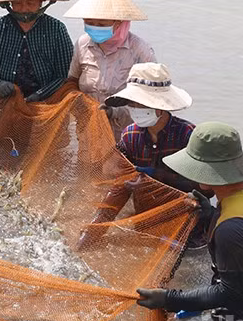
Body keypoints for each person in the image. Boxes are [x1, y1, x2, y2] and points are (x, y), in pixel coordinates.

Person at [136, 122, 243, 321]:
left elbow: (229, 293)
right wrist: (210, 215)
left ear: (208, 172)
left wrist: (170, 298)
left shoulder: (231, 228)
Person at [77, 63, 211, 249]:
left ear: (160, 107)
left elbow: (208, 188)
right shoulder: (130, 137)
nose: (134, 108)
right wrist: (91, 234)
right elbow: (119, 188)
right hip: (147, 224)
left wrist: (157, 178)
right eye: (132, 103)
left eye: (140, 103)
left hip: (188, 226)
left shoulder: (188, 136)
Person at [64, 0, 156, 141]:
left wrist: (113, 112)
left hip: (127, 133)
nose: (95, 28)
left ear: (119, 22)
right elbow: (72, 80)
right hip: (89, 127)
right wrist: (76, 103)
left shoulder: (140, 51)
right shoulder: (83, 44)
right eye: (89, 23)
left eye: (102, 24)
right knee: (88, 164)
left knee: (123, 165)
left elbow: (151, 98)